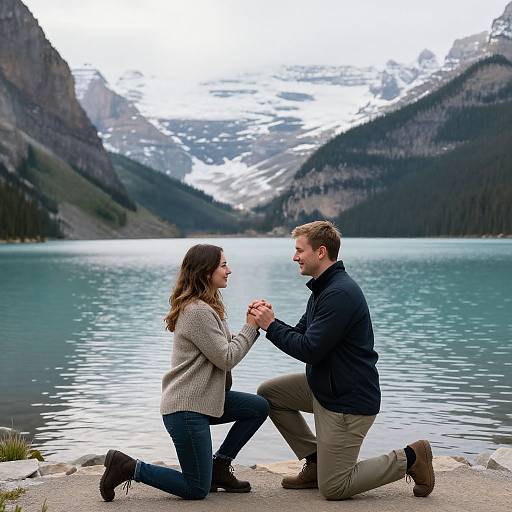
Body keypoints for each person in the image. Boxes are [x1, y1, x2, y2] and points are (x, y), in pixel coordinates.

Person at [249, 221, 435, 501]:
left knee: (335, 488)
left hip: (347, 401)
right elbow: (301, 334)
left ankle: (411, 457)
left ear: (321, 252)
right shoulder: (324, 289)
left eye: (299, 250)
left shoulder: (338, 294)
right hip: (327, 385)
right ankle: (315, 462)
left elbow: (310, 350)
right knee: (270, 394)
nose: (294, 257)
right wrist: (271, 321)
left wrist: (271, 325)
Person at [99, 244, 269, 502]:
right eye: (223, 265)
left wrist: (251, 325)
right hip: (187, 409)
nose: (229, 270)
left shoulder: (209, 305)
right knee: (196, 488)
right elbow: (226, 358)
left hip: (205, 399)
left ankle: (220, 468)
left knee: (258, 407)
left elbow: (223, 347)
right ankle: (128, 467)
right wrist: (250, 327)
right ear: (205, 270)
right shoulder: (197, 311)